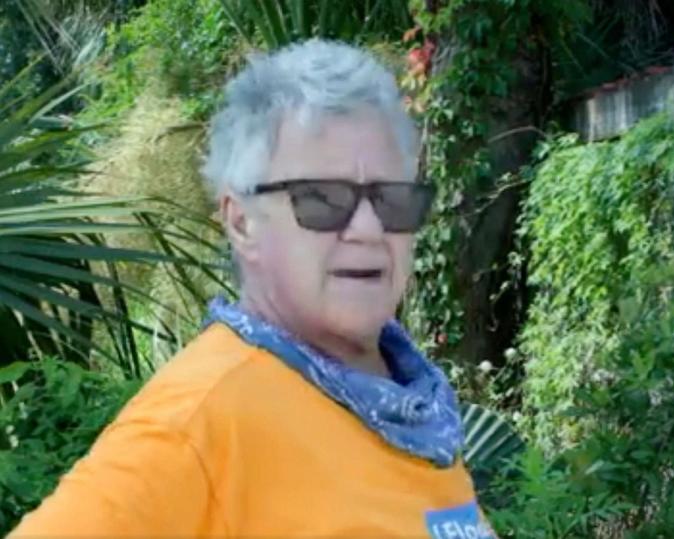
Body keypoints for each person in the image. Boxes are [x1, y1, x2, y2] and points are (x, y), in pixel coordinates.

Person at [11, 39, 493, 538]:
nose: (369, 229)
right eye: (322, 198)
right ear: (241, 223)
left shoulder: (408, 403)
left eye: (391, 197)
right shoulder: (199, 420)